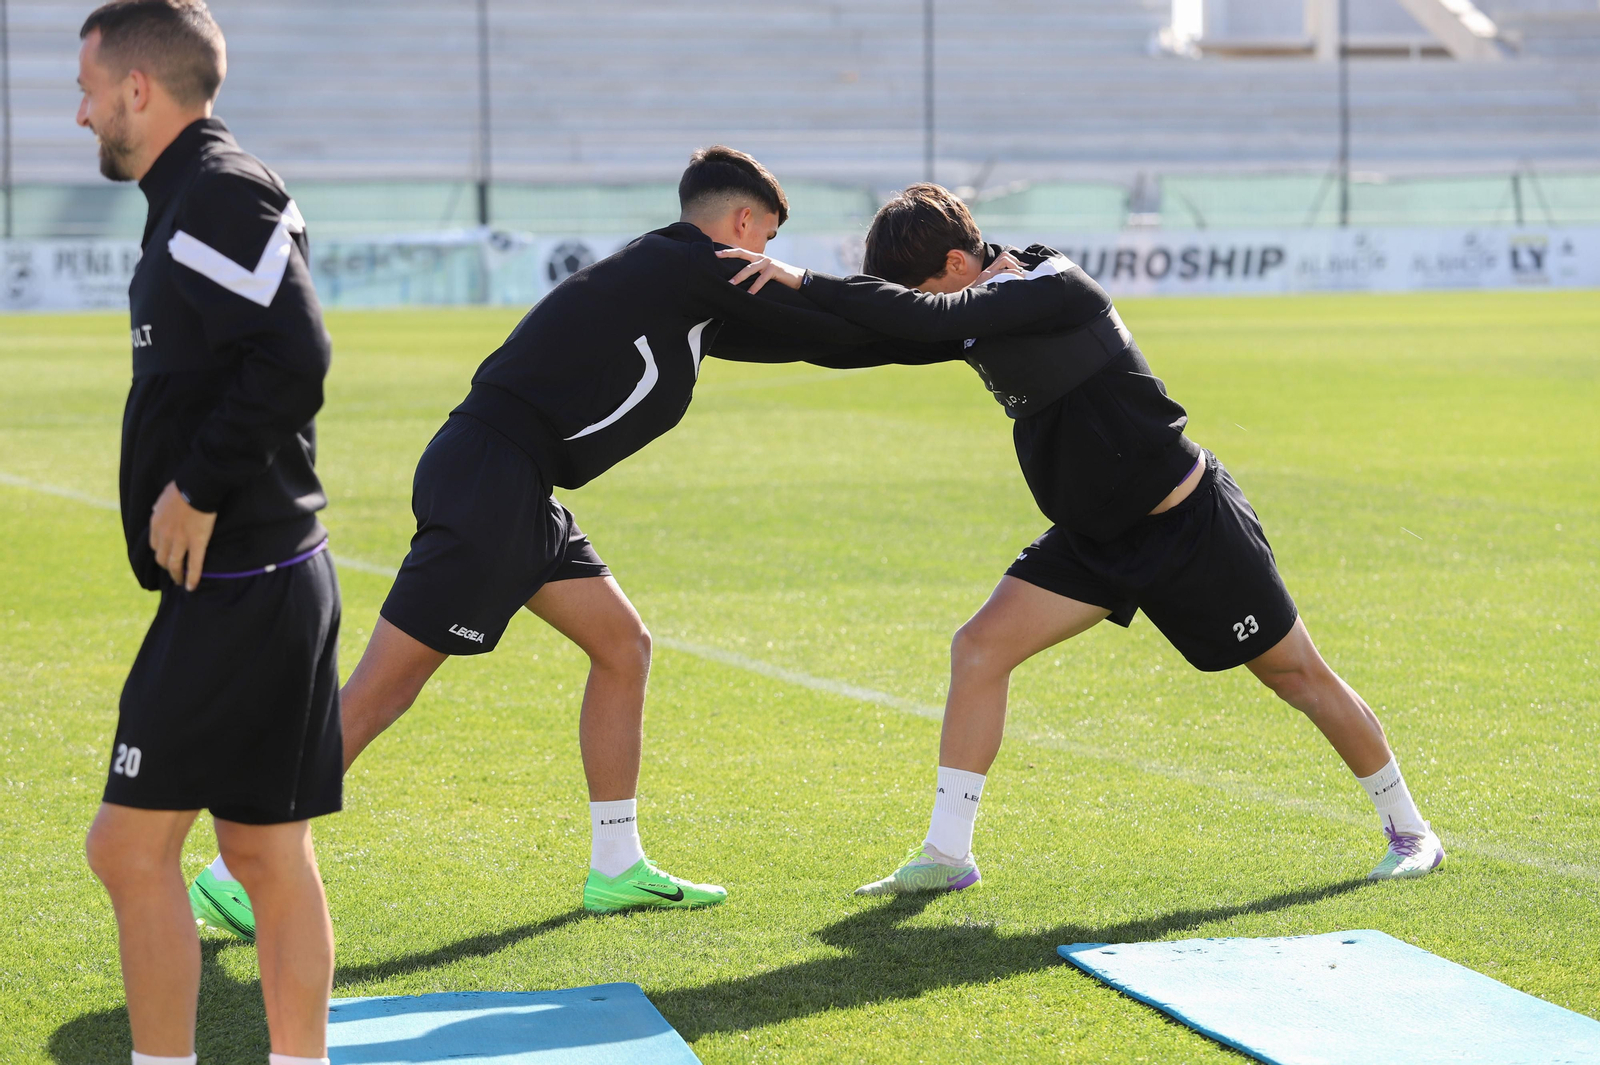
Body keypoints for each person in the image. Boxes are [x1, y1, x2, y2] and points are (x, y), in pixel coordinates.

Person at [188, 150, 1072, 935]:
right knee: (382, 690)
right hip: (489, 479)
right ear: (739, 225)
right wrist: (958, 319)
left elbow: (831, 343)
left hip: (515, 487)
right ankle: (238, 865)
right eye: (765, 237)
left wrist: (958, 325)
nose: (766, 256)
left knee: (622, 645)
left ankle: (616, 865)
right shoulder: (685, 264)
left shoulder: (690, 293)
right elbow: (831, 316)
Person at [717, 183, 1445, 895]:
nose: (927, 307)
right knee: (978, 648)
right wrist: (721, 331)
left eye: (926, 291)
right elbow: (862, 340)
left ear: (957, 264)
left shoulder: (1055, 282)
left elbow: (929, 319)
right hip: (1092, 541)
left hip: (1187, 527)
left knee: (1297, 677)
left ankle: (1411, 831)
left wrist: (807, 277)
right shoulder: (965, 311)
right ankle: (947, 853)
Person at [76, 3, 342, 1064]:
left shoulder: (214, 190)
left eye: (89, 87)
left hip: (246, 578)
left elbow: (297, 352)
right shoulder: (190, 191)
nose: (80, 110)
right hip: (258, 577)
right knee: (266, 854)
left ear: (140, 89)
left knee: (129, 850)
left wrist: (194, 485)